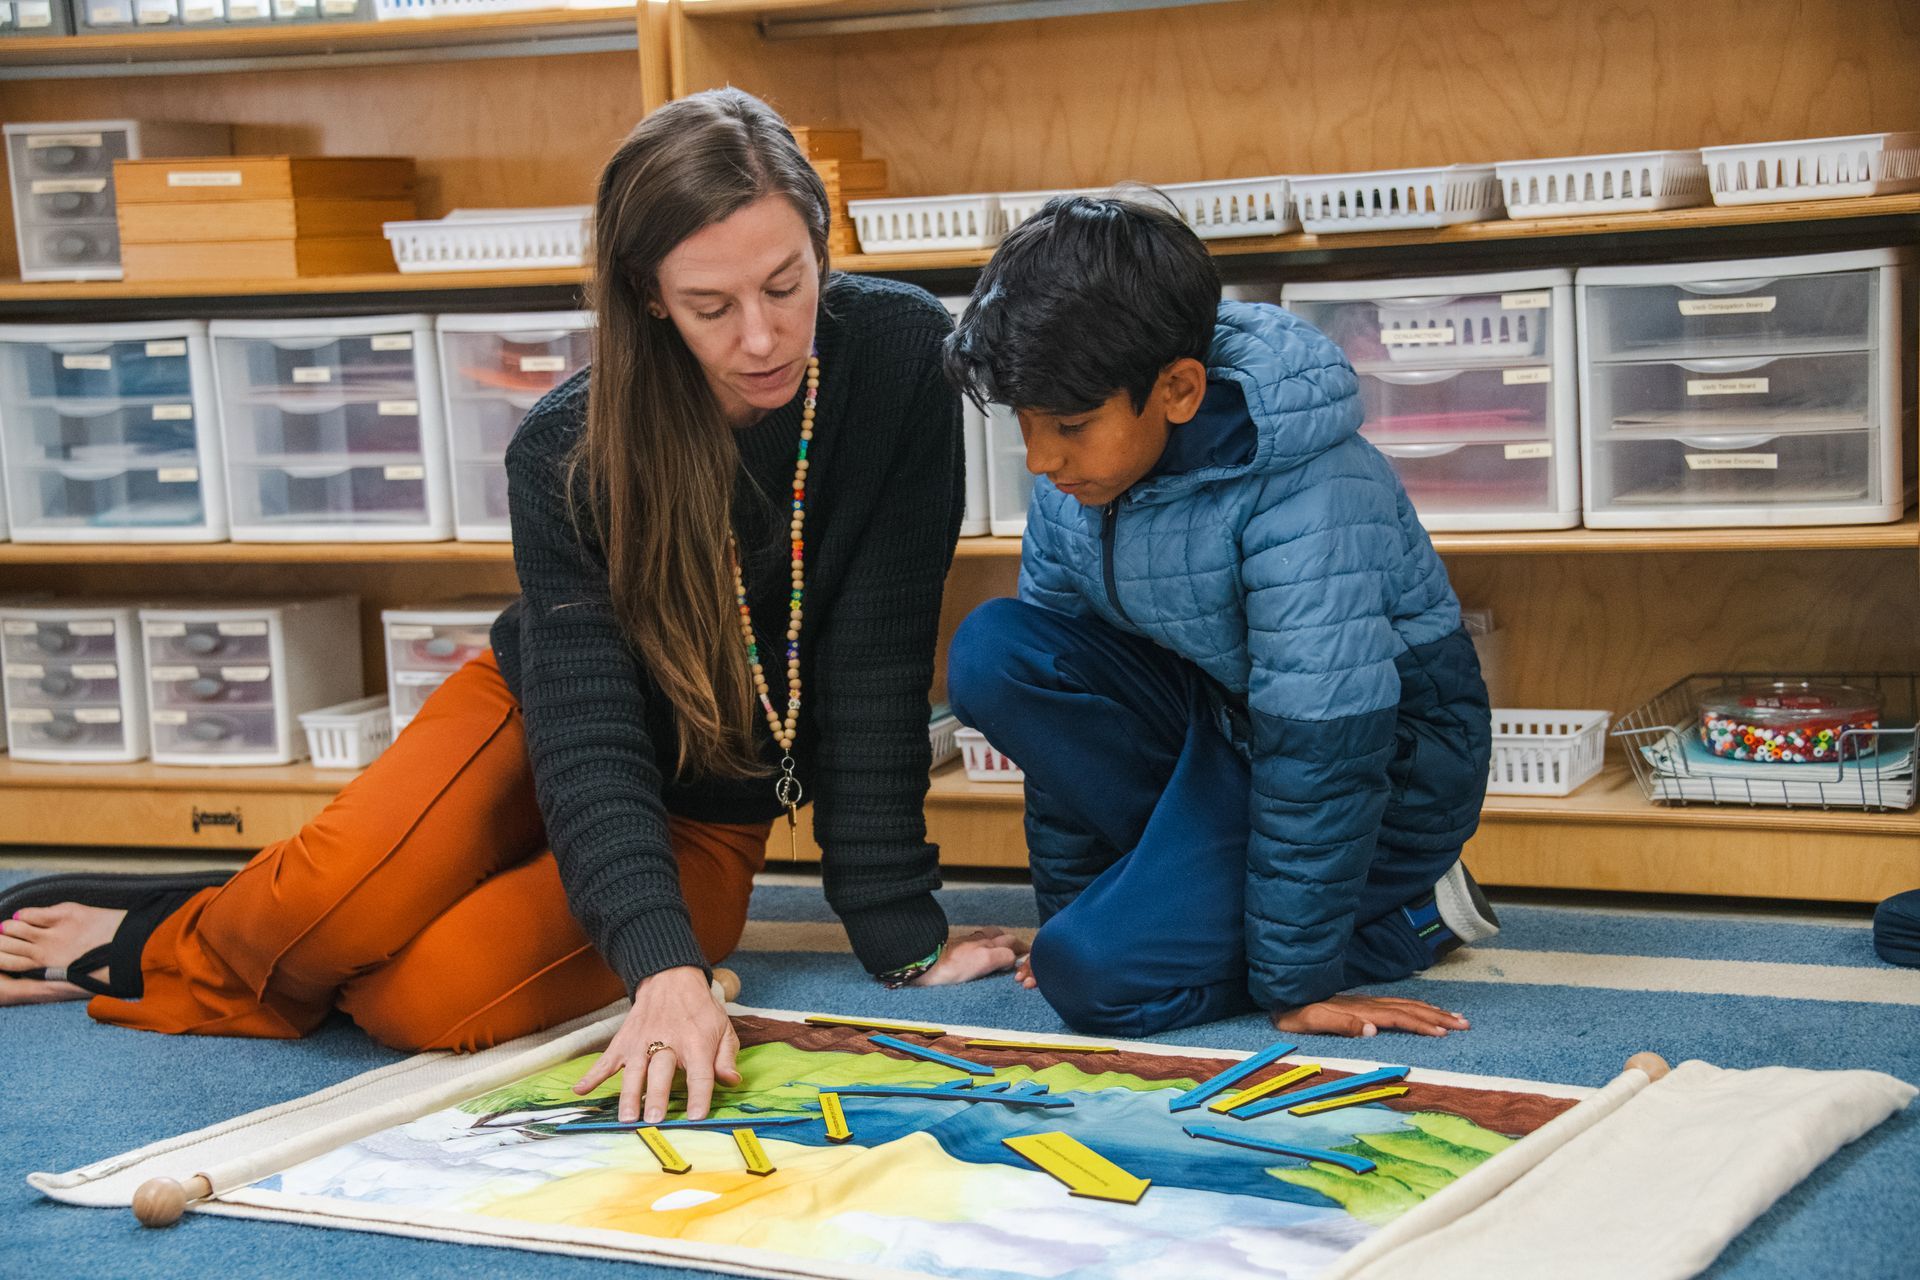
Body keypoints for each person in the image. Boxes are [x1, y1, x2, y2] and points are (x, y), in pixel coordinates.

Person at [0, 88, 1023, 1127]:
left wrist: (900, 934)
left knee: (419, 999)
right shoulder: (564, 442)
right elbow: (586, 724)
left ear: (821, 244)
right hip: (540, 716)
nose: (761, 336)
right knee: (320, 903)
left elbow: (877, 661)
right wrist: (665, 969)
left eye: (786, 284)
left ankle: (262, 934)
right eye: (712, 305)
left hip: (706, 806)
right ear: (649, 293)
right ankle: (145, 938)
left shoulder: (897, 355)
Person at [944, 193, 1499, 1041]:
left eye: (1068, 426)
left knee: (1090, 979)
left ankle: (1409, 914)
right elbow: (1056, 735)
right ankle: (1191, 907)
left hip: (1380, 778)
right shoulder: (1075, 478)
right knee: (993, 649)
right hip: (1224, 736)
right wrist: (1076, 907)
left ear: (1177, 389)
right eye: (1026, 425)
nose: (1042, 458)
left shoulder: (1311, 489)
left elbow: (1327, 751)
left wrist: (1300, 981)